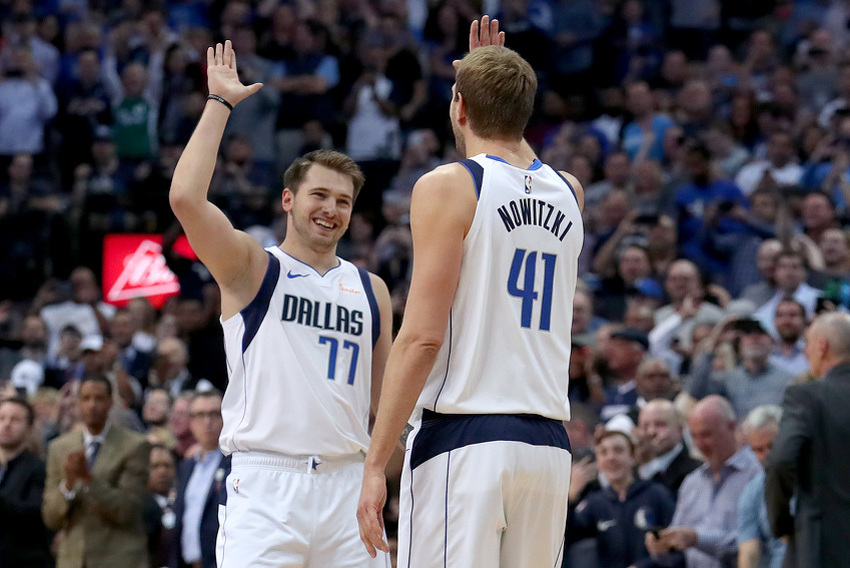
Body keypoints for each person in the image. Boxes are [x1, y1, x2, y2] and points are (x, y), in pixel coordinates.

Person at [358, 17, 585, 567]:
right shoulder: (570, 191)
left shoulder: (447, 186)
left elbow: (420, 339)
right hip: (549, 450)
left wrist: (374, 463)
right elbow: (513, 142)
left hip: (466, 441)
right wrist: (495, 83)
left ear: (458, 108)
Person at [168, 40, 393, 567]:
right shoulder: (252, 266)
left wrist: (384, 473)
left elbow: (385, 405)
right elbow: (185, 200)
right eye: (320, 195)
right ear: (289, 200)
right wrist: (220, 104)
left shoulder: (371, 288)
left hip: (349, 486)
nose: (331, 210)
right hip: (267, 485)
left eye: (343, 201)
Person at [765, 312, 850, 568]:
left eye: (808, 344)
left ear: (822, 347)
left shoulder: (807, 396)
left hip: (823, 543)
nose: (805, 351)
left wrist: (781, 522)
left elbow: (780, 461)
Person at [42, 374, 151, 568]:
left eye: (99, 398)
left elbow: (127, 510)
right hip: (72, 560)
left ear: (111, 402)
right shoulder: (59, 448)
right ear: (77, 403)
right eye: (85, 398)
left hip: (120, 559)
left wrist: (88, 480)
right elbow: (51, 518)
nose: (92, 405)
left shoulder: (135, 446)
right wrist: (68, 484)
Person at [644, 396, 761, 568]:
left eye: (706, 434)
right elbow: (679, 538)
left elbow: (759, 541)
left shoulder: (757, 476)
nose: (700, 444)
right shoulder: (692, 482)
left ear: (731, 427)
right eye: (694, 436)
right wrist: (663, 543)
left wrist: (697, 539)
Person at [567, 430, 676, 568]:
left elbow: (676, 548)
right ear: (598, 462)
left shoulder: (657, 494)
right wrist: (570, 498)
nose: (611, 457)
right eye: (603, 453)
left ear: (633, 457)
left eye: (618, 450)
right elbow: (568, 536)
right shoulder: (595, 502)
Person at [171, 390, 229, 568]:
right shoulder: (187, 466)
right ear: (190, 421)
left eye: (214, 414)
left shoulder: (234, 464)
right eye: (200, 415)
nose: (207, 422)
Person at [0, 397, 50, 567]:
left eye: (15, 420)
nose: (7, 424)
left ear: (29, 428)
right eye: (1, 418)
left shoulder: (39, 469)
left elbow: (34, 514)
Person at [737, 405, 786, 568]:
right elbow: (749, 553)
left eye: (772, 446)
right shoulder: (753, 491)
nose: (766, 455)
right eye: (758, 450)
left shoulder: (819, 479)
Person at [634, 399, 701, 497]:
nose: (651, 432)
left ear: (680, 430)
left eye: (660, 425)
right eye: (645, 426)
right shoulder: (633, 472)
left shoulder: (695, 471)